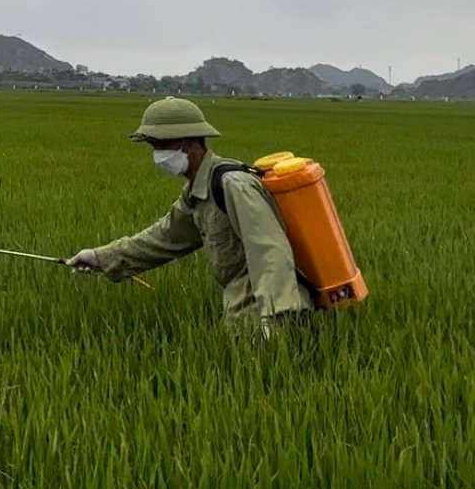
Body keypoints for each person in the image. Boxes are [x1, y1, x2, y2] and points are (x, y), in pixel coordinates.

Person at [69, 97, 312, 333]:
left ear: (188, 142)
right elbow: (165, 237)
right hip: (242, 312)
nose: (157, 155)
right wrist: (100, 257)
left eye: (161, 145)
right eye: (153, 146)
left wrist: (276, 317)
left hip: (266, 318)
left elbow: (270, 249)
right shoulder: (197, 192)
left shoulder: (232, 184)